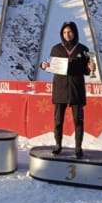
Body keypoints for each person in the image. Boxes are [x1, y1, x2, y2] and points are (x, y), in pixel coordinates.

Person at [40, 21, 95, 158]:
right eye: (64, 32)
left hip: (76, 88)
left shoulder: (83, 49)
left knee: (78, 120)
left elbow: (86, 71)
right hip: (60, 88)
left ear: (75, 32)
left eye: (69, 32)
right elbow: (48, 65)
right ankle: (58, 145)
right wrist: (43, 65)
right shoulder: (56, 49)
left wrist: (90, 68)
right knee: (58, 120)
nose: (67, 34)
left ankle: (78, 147)